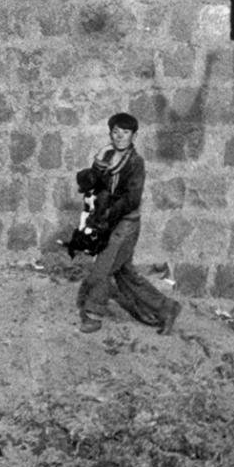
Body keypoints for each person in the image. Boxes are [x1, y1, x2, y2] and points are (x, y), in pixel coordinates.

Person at [75, 112, 182, 335]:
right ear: (110, 133)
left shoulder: (135, 162)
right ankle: (167, 307)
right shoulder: (107, 155)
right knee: (124, 274)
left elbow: (132, 198)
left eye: (125, 133)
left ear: (133, 136)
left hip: (124, 224)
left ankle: (93, 315)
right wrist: (93, 171)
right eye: (116, 132)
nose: (120, 137)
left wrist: (108, 215)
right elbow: (92, 184)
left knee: (101, 270)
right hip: (109, 222)